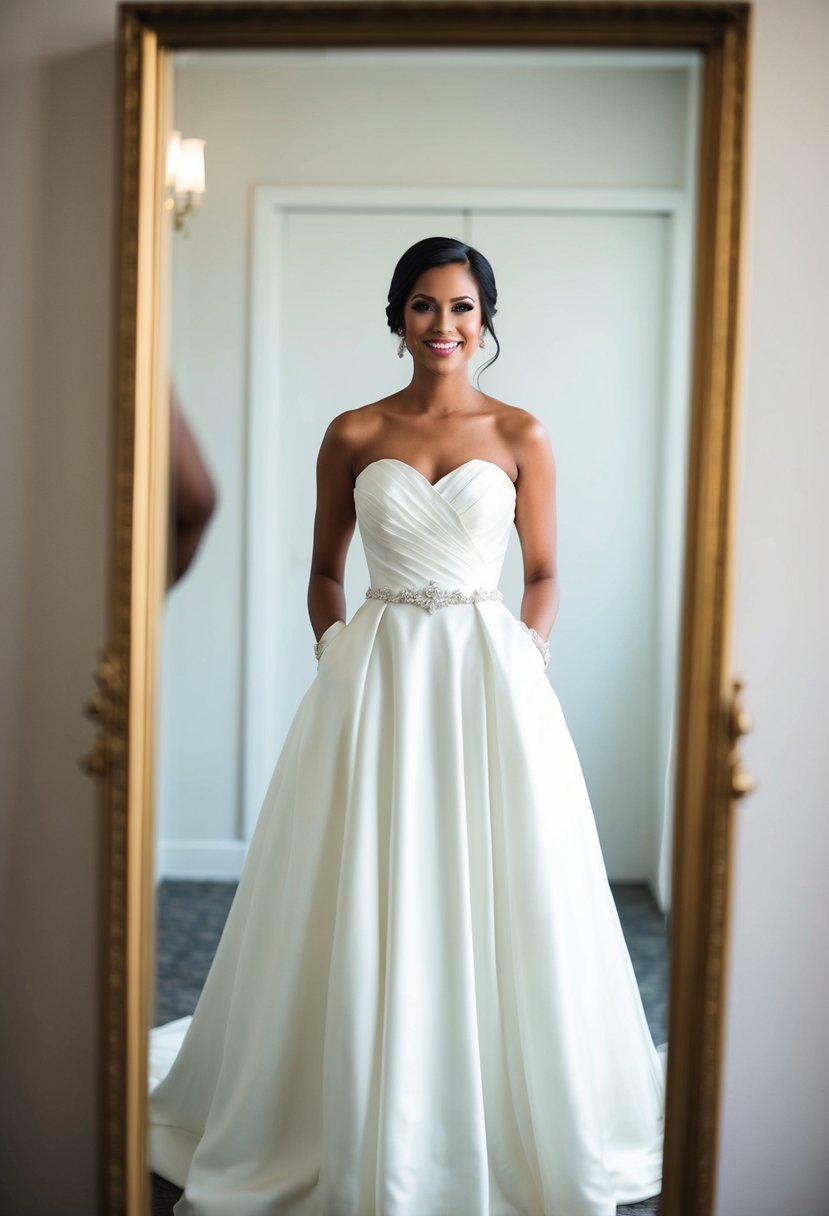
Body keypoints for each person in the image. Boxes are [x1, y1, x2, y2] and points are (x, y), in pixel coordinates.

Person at [148, 237, 666, 1215]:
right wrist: (333, 648)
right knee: (357, 873)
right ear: (398, 317)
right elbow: (322, 569)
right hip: (376, 673)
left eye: (462, 308)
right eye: (425, 306)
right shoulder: (353, 433)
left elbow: (545, 571)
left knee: (504, 875)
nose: (444, 326)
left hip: (487, 676)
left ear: (485, 320)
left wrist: (528, 651)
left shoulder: (522, 433)